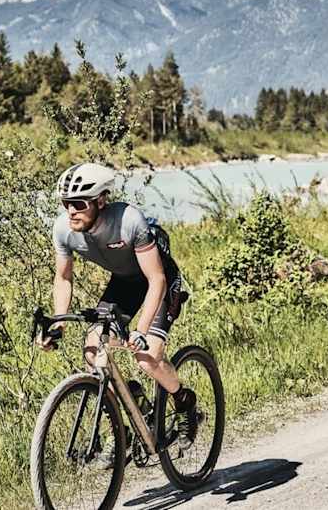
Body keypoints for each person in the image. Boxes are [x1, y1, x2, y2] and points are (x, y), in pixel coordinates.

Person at [37, 162, 198, 447]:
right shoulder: (63, 229)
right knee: (92, 350)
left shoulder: (128, 221)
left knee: (147, 359)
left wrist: (141, 329)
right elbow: (63, 279)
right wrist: (58, 322)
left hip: (158, 280)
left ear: (100, 201)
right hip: (124, 283)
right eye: (66, 203)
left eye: (79, 203)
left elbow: (157, 279)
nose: (71, 210)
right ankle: (133, 408)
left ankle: (184, 402)